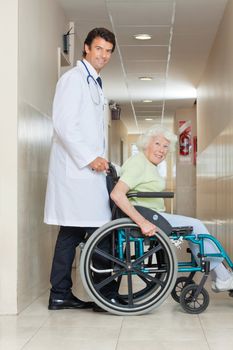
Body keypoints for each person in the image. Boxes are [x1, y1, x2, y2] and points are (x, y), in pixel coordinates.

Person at [110, 125, 233, 292]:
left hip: (153, 215)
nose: (161, 150)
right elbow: (117, 195)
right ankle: (223, 277)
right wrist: (143, 222)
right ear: (147, 144)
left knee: (194, 230)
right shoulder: (138, 163)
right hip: (149, 217)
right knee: (197, 226)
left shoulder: (146, 163)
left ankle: (219, 275)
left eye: (166, 146)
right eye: (158, 144)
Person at [44, 27, 116, 311]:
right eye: (99, 48)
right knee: (101, 234)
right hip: (78, 172)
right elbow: (63, 125)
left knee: (71, 234)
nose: (103, 55)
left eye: (108, 51)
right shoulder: (73, 79)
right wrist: (90, 158)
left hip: (85, 174)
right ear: (86, 48)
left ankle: (61, 293)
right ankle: (104, 295)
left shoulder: (94, 82)